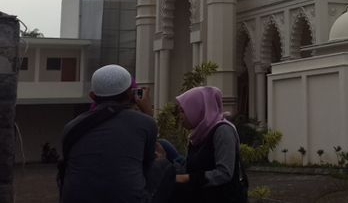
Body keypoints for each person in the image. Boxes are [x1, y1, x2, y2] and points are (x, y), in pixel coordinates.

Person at [59, 64, 174, 203]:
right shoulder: (144, 122)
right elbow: (148, 161)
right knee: (163, 163)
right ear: (131, 94)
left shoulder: (71, 127)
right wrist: (148, 113)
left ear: (92, 96)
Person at [172, 86, 246, 203]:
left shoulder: (222, 131)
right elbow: (192, 166)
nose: (180, 116)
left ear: (197, 109)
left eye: (183, 111)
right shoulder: (198, 135)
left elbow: (224, 173)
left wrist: (188, 178)